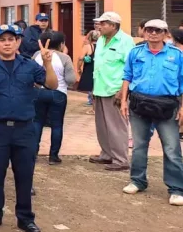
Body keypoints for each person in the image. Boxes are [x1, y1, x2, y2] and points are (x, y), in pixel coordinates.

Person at [0, 24, 58, 232]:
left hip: (24, 129)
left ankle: (25, 218)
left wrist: (48, 63)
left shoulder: (29, 65)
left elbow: (52, 85)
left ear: (18, 42)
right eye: (2, 40)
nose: (7, 43)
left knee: (25, 175)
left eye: (11, 39)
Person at [119, 19, 183, 205]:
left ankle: (176, 188)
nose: (153, 33)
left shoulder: (176, 55)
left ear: (165, 34)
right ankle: (137, 180)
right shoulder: (135, 53)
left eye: (158, 30)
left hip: (167, 106)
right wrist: (124, 101)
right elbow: (127, 76)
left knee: (172, 148)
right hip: (139, 105)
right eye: (149, 30)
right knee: (139, 146)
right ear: (144, 32)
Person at [89, 11, 133, 171]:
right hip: (100, 88)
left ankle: (121, 160)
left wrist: (122, 92)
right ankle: (106, 154)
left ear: (113, 26)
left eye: (103, 23)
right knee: (101, 125)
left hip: (115, 90)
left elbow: (131, 68)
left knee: (117, 126)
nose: (99, 26)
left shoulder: (125, 41)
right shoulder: (101, 40)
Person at [32, 31, 77, 165]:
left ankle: (33, 153)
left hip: (38, 92)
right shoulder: (65, 58)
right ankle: (53, 156)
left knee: (37, 122)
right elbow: (71, 80)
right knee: (57, 125)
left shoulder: (36, 55)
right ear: (61, 44)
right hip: (58, 93)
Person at [77, 30, 100, 108]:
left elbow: (80, 58)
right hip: (99, 68)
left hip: (90, 68)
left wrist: (79, 68)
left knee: (91, 85)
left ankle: (92, 102)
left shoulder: (88, 46)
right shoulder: (102, 46)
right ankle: (96, 102)